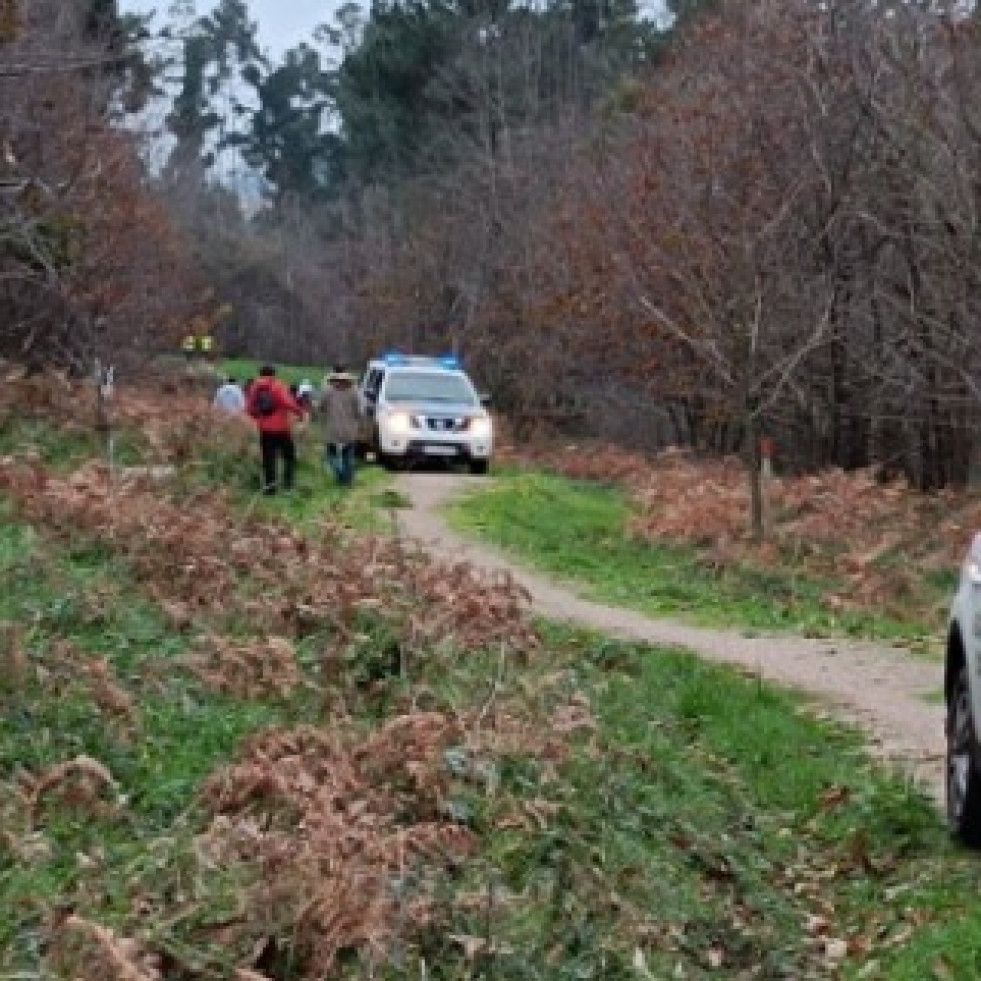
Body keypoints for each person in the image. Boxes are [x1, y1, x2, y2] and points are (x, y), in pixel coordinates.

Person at [246, 365, 304, 495]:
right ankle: (288, 486)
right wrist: (299, 412)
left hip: (264, 429)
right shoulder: (278, 386)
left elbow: (250, 409)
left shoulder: (255, 387)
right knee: (289, 457)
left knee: (268, 458)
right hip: (281, 428)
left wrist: (259, 418)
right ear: (274, 374)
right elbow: (287, 402)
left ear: (260, 374)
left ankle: (270, 488)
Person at [319, 365, 361, 487]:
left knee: (331, 455)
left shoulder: (328, 391)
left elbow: (321, 407)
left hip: (332, 429)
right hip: (349, 430)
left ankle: (340, 474)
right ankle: (348, 480)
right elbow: (358, 411)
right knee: (348, 456)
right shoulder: (354, 392)